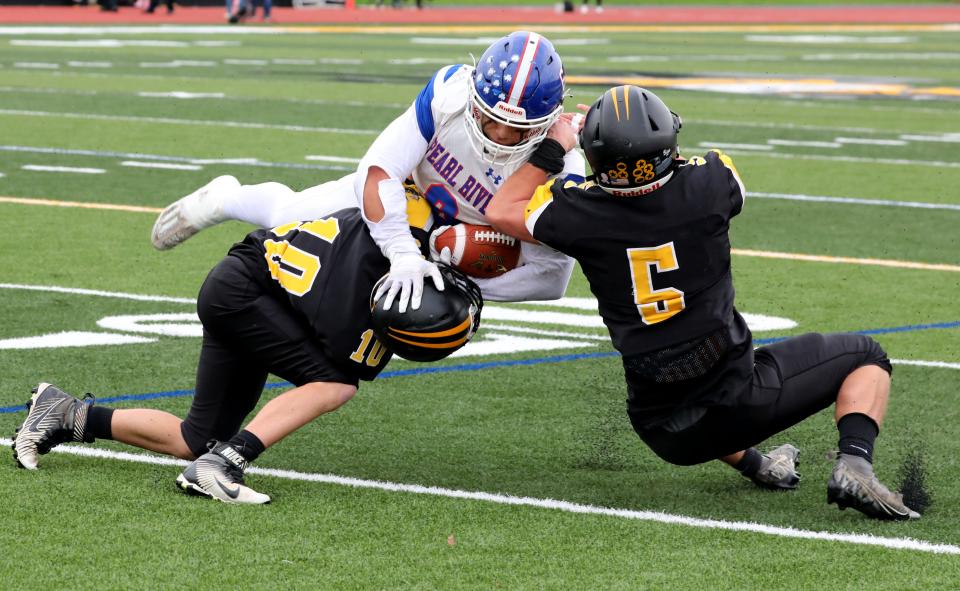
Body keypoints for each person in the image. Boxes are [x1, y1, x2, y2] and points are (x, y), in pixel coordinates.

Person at [485, 85, 919, 520]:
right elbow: (686, 180)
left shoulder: (576, 213)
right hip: (740, 401)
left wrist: (557, 144)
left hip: (660, 431)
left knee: (688, 382)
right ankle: (856, 465)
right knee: (867, 355)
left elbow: (502, 208)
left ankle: (761, 466)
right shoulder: (711, 182)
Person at [13, 205, 483, 504]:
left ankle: (66, 412)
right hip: (245, 296)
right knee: (337, 384)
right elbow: (347, 360)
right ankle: (225, 464)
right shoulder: (354, 311)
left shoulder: (395, 227)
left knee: (194, 437)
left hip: (254, 290)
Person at [150, 31, 585, 313]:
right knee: (289, 217)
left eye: (518, 127)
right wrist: (401, 252)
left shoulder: (563, 168)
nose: (502, 134)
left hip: (463, 242)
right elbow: (377, 171)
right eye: (491, 118)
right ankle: (225, 197)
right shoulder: (450, 93)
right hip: (408, 197)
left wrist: (457, 280)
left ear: (550, 119)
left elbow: (551, 277)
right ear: (473, 96)